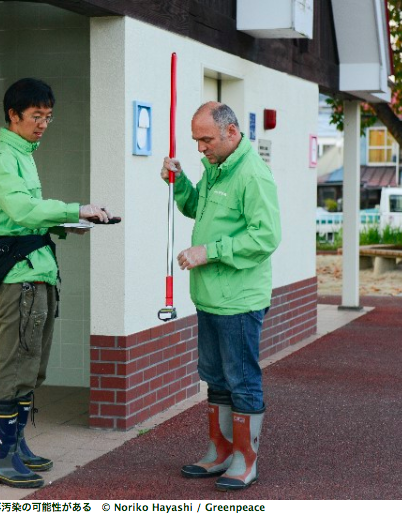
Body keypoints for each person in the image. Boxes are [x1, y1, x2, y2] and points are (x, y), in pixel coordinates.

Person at [0, 78, 111, 489]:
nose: (43, 124)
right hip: (20, 278)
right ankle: (0, 458)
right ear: (13, 115)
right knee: (14, 365)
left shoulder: (24, 154)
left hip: (38, 274)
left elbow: (33, 214)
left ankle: (16, 447)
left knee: (32, 368)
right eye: (36, 116)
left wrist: (71, 224)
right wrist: (75, 208)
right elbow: (20, 209)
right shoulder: (3, 156)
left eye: (48, 117)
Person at [160, 102, 281, 491]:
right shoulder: (215, 166)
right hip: (210, 296)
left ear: (231, 132)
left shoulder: (253, 174)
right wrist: (178, 183)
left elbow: (265, 238)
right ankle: (220, 451)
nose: (200, 148)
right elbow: (197, 207)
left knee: (241, 380)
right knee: (215, 379)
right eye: (196, 140)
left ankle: (246, 461)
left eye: (206, 140)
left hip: (239, 300)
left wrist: (208, 251)